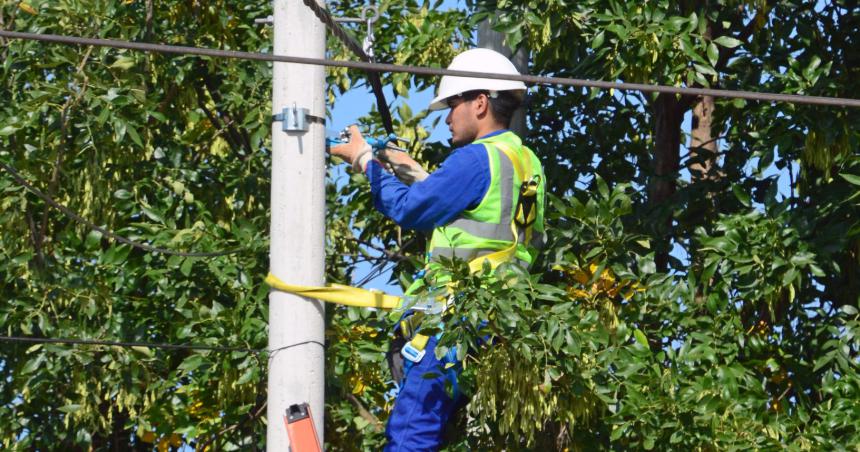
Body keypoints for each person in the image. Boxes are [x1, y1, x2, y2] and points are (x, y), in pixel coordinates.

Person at [330, 48, 546, 451]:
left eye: (453, 105)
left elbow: (411, 209)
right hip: (499, 317)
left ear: (480, 102)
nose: (447, 117)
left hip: (460, 315)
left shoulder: (476, 159)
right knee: (441, 429)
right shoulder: (524, 162)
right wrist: (403, 165)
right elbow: (481, 217)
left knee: (413, 427)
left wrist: (364, 161)